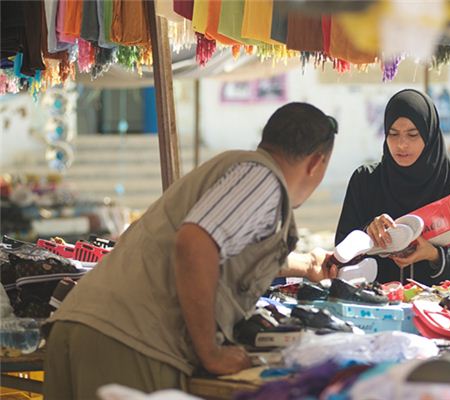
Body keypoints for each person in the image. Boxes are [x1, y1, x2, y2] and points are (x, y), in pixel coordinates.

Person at [43, 103, 339, 398]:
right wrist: (210, 351)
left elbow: (232, 248)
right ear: (316, 163)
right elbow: (195, 244)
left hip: (84, 326)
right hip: (132, 343)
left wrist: (308, 264)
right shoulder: (263, 181)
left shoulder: (241, 170)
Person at [336, 89, 450, 286]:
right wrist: (368, 232)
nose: (401, 144)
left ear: (429, 135)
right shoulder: (365, 181)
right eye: (393, 134)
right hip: (376, 306)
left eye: (413, 135)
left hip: (438, 311)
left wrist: (435, 255)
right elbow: (341, 251)